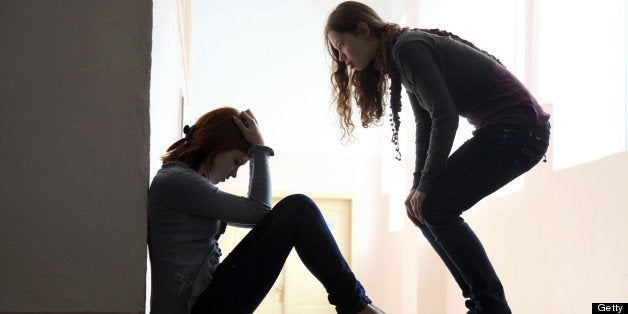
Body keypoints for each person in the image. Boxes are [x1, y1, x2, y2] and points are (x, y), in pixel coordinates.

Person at [324, 2, 550, 313]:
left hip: (519, 131)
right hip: (513, 132)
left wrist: (427, 186)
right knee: (425, 209)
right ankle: (483, 304)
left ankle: (489, 306)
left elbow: (445, 117)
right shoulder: (400, 55)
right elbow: (425, 122)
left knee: (436, 206)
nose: (342, 58)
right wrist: (418, 186)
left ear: (363, 30)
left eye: (341, 46)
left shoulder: (408, 48)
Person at [147, 107, 385, 314]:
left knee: (298, 209)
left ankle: (355, 304)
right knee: (298, 208)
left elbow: (258, 217)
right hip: (196, 309)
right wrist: (259, 148)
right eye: (237, 161)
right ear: (217, 145)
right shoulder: (177, 181)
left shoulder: (180, 181)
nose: (234, 173)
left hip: (204, 302)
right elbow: (259, 211)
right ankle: (355, 306)